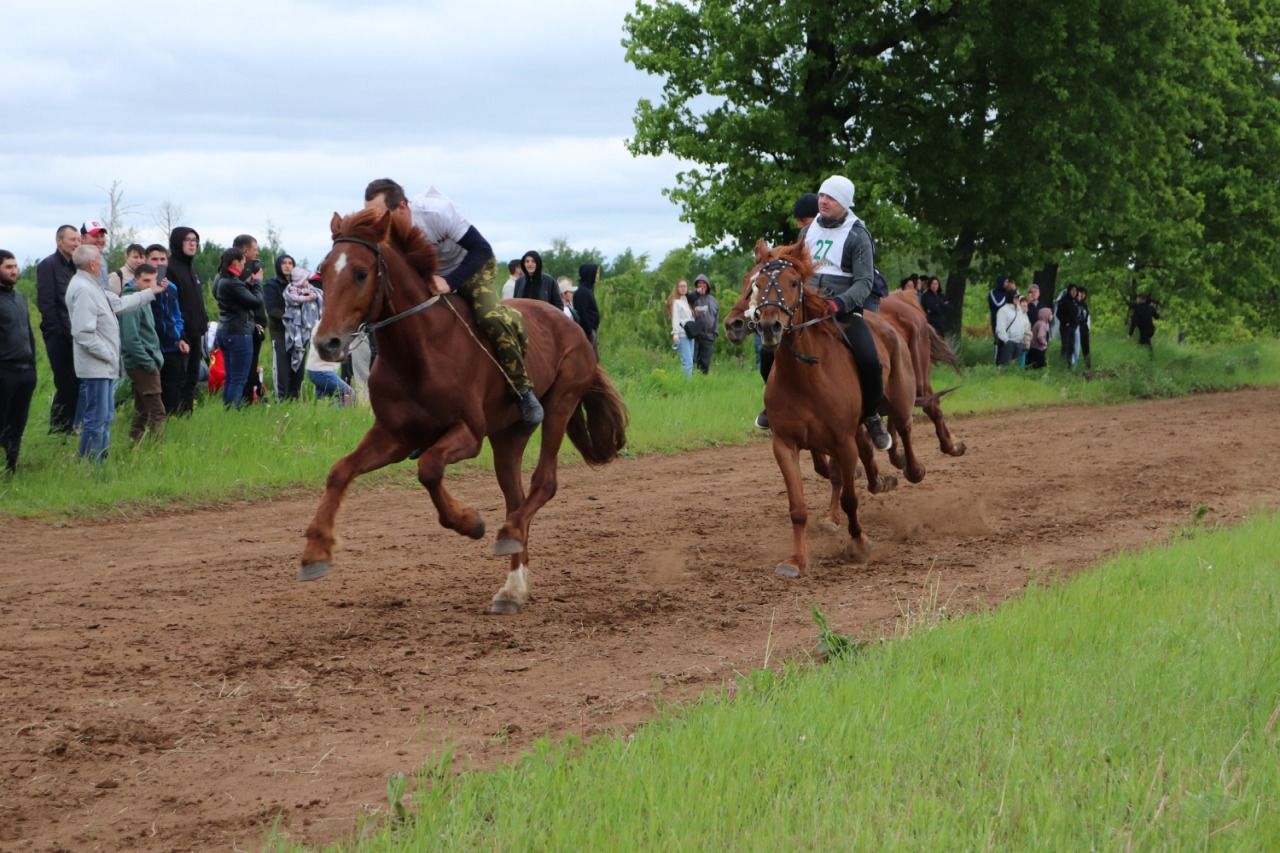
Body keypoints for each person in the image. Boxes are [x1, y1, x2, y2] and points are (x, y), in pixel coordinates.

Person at [364, 179, 544, 425]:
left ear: (403, 207)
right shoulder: (385, 238)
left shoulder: (435, 212)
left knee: (488, 316)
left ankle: (522, 390)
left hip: (471, 268)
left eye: (382, 216)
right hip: (430, 276)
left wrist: (450, 282)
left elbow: (481, 249)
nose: (378, 224)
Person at [800, 174, 893, 450]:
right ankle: (775, 404)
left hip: (843, 309)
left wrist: (839, 303)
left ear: (844, 203)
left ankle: (872, 416)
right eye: (822, 195)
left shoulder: (857, 235)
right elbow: (799, 268)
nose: (823, 201)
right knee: (771, 348)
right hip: (807, 308)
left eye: (830, 198)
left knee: (869, 359)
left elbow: (865, 283)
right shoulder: (807, 231)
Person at [65, 245, 162, 462]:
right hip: (96, 366)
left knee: (105, 416)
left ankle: (100, 460)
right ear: (92, 264)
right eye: (99, 258)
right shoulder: (83, 289)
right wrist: (109, 354)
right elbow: (83, 333)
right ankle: (91, 464)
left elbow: (119, 304)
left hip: (103, 365)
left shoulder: (93, 287)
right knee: (96, 418)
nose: (102, 262)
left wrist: (149, 292)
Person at [35, 225, 81, 434]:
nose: (76, 244)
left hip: (77, 336)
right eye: (72, 240)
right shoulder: (48, 265)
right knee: (65, 385)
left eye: (78, 240)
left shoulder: (76, 268)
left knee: (77, 384)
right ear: (59, 241)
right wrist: (57, 333)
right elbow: (46, 304)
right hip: (59, 337)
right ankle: (58, 431)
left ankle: (71, 426)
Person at [118, 263, 167, 442]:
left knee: (143, 410)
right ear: (135, 279)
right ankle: (158, 452)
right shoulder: (132, 300)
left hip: (147, 359)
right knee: (157, 411)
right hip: (141, 363)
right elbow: (130, 339)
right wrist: (147, 362)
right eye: (145, 280)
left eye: (153, 280)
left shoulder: (144, 299)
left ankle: (134, 444)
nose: (149, 284)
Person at [0, 249, 37, 474]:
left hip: (25, 371)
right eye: (8, 267)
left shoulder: (20, 298)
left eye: (15, 266)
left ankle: (11, 467)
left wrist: (32, 365)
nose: (14, 271)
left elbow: (29, 334)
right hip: (4, 371)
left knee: (18, 422)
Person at [212, 247, 260, 408]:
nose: (244, 266)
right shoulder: (231, 282)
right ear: (235, 262)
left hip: (224, 331)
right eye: (242, 262)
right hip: (239, 333)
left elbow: (235, 297)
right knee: (239, 378)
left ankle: (228, 410)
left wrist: (246, 285)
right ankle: (233, 410)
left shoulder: (220, 279)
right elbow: (256, 302)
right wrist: (258, 283)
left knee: (231, 377)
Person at [144, 244, 189, 414]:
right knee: (151, 391)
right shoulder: (138, 286)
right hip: (150, 347)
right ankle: (150, 425)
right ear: (146, 260)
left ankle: (169, 422)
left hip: (171, 345)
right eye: (154, 259)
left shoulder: (171, 287)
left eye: (162, 259)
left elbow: (177, 315)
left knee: (172, 389)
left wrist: (179, 336)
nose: (158, 263)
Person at [168, 226, 208, 415]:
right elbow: (169, 305)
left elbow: (196, 302)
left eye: (195, 240)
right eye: (188, 240)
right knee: (179, 378)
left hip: (196, 332)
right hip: (180, 334)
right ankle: (173, 416)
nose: (193, 243)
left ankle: (186, 416)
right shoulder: (170, 268)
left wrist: (203, 322)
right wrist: (179, 334)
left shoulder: (193, 269)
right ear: (177, 242)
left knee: (193, 377)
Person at [232, 235, 267, 403]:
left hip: (253, 325)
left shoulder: (248, 269)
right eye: (255, 249)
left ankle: (247, 401)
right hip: (246, 326)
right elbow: (254, 300)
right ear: (245, 251)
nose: (257, 252)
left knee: (250, 367)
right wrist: (258, 282)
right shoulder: (240, 273)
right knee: (244, 369)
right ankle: (243, 402)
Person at [282, 265, 322, 388]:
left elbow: (318, 295)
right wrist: (306, 298)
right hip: (297, 326)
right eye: (305, 280)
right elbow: (293, 299)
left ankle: (300, 388)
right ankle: (291, 390)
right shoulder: (292, 290)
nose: (307, 282)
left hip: (309, 326)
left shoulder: (310, 289)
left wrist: (312, 296)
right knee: (297, 354)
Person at [691, 273, 718, 374]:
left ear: (707, 285)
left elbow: (716, 316)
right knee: (693, 359)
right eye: (699, 284)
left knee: (705, 362)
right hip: (695, 334)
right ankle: (691, 379)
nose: (701, 285)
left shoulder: (713, 300)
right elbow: (688, 300)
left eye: (704, 283)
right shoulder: (693, 297)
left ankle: (703, 379)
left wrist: (715, 332)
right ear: (696, 285)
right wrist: (697, 293)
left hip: (709, 335)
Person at [668, 279, 695, 376]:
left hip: (691, 334)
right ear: (677, 288)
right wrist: (675, 334)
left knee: (691, 362)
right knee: (687, 362)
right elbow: (675, 319)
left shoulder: (687, 302)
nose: (683, 288)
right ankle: (687, 385)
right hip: (682, 335)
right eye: (681, 286)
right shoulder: (676, 302)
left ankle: (688, 383)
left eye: (685, 286)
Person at [573, 263, 601, 356]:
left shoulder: (588, 290)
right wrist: (589, 331)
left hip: (591, 330)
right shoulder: (582, 292)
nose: (597, 276)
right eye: (596, 273)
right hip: (587, 332)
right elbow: (582, 313)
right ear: (590, 274)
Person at [988, 276, 1017, 364]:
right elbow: (998, 304)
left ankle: (1007, 363)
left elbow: (1018, 302)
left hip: (1010, 323)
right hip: (998, 322)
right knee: (999, 342)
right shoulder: (993, 293)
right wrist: (1008, 294)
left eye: (1008, 282)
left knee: (1009, 343)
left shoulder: (1009, 293)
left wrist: (1014, 290)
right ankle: (997, 363)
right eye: (1006, 282)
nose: (1007, 284)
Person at [994, 290, 1028, 366]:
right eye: (1015, 297)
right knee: (1004, 368)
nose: (1017, 299)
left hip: (1019, 343)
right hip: (1007, 343)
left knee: (1016, 370)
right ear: (1010, 298)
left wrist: (1022, 340)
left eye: (1018, 297)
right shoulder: (1003, 311)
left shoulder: (1019, 310)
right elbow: (1000, 329)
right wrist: (1007, 341)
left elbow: (1022, 325)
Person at [1055, 284, 1080, 367]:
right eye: (1072, 290)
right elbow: (1058, 314)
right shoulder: (1064, 300)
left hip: (1073, 326)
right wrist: (1065, 322)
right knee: (1065, 344)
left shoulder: (1075, 301)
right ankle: (1062, 362)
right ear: (1069, 291)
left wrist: (1076, 323)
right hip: (1065, 327)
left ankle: (1069, 364)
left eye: (1075, 291)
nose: (1074, 292)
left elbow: (1077, 314)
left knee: (1071, 345)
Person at [80, 221, 110, 289]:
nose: (100, 240)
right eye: (95, 236)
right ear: (83, 238)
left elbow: (105, 290)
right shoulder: (77, 262)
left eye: (102, 236)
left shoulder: (102, 260)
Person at [1076, 286, 1093, 369]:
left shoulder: (1085, 304)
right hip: (1076, 327)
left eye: (1084, 293)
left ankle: (1088, 365)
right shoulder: (1075, 303)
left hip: (1084, 327)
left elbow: (1087, 316)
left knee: (1086, 347)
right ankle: (1074, 364)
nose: (1082, 295)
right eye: (1080, 293)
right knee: (1075, 346)